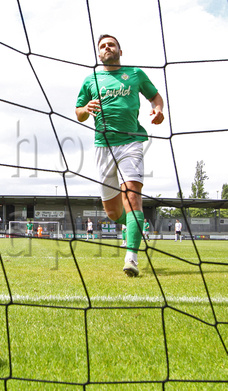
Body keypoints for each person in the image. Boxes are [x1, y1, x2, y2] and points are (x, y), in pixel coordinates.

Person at [76, 34, 165, 277]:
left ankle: (131, 258)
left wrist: (157, 110)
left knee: (133, 198)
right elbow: (78, 113)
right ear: (99, 53)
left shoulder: (135, 74)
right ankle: (134, 225)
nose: (107, 48)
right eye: (103, 46)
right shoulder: (91, 80)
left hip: (131, 142)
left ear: (120, 51)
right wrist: (86, 109)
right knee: (113, 212)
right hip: (102, 146)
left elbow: (155, 96)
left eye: (111, 45)